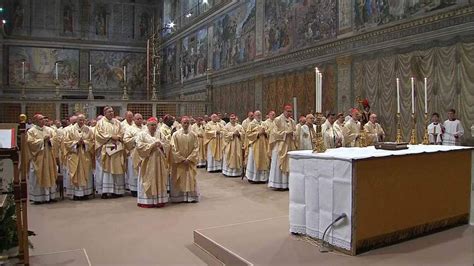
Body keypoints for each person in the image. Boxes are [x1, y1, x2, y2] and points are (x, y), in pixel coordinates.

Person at [136, 117, 170, 208]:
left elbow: (167, 144)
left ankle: (159, 200)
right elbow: (139, 146)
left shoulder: (160, 133)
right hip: (147, 161)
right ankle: (147, 201)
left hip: (159, 161)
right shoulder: (142, 134)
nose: (153, 127)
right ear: (147, 125)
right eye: (151, 125)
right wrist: (152, 145)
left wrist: (161, 145)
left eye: (155, 125)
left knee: (159, 178)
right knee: (147, 179)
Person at [95, 106, 126, 199]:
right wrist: (111, 137)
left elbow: (122, 132)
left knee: (117, 169)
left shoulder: (117, 122)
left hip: (117, 149)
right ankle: (105, 191)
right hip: (106, 150)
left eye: (112, 111)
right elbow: (98, 135)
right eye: (109, 112)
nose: (111, 113)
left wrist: (119, 137)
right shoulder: (100, 123)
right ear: (105, 113)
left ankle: (116, 191)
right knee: (106, 170)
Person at [27, 114, 57, 203]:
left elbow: (55, 139)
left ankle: (51, 196)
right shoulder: (31, 131)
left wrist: (50, 141)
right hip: (38, 158)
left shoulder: (50, 130)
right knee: (37, 176)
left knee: (50, 174)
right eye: (40, 119)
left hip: (49, 157)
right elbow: (30, 143)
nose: (43, 120)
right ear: (35, 121)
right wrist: (42, 141)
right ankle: (38, 198)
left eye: (43, 119)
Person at [63, 114, 94, 200]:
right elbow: (66, 142)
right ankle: (75, 194)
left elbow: (92, 141)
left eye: (83, 120)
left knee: (85, 173)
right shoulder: (70, 130)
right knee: (75, 173)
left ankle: (86, 193)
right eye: (80, 120)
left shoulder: (89, 130)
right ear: (76, 120)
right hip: (74, 155)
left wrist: (85, 143)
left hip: (85, 155)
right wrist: (76, 143)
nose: (81, 121)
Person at [170, 117, 200, 203]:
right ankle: (179, 197)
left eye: (187, 123)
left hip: (190, 162)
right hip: (180, 163)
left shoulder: (193, 135)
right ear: (181, 123)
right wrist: (182, 159)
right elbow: (173, 148)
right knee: (179, 178)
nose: (186, 125)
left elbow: (196, 148)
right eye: (184, 123)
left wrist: (190, 158)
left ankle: (191, 197)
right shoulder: (175, 134)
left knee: (190, 178)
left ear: (189, 124)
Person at [268, 104, 297, 190]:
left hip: (289, 145)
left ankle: (287, 184)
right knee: (278, 163)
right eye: (288, 111)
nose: (289, 113)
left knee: (289, 163)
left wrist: (293, 134)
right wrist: (285, 133)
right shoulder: (277, 120)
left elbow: (295, 132)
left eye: (290, 111)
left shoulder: (292, 121)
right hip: (280, 145)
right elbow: (273, 133)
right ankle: (278, 184)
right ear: (284, 111)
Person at [245, 110, 270, 183]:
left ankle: (262, 178)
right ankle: (253, 178)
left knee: (264, 160)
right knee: (253, 161)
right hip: (255, 145)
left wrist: (265, 133)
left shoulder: (264, 123)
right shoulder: (251, 124)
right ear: (255, 116)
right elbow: (248, 134)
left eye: (260, 115)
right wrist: (258, 134)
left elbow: (269, 132)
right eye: (257, 115)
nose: (259, 116)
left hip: (263, 146)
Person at [123, 113, 144, 197]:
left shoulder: (145, 128)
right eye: (137, 119)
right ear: (134, 120)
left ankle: (142, 187)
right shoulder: (130, 129)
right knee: (133, 171)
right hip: (134, 152)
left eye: (140, 119)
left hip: (144, 153)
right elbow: (126, 140)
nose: (139, 120)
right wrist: (135, 139)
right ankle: (134, 189)